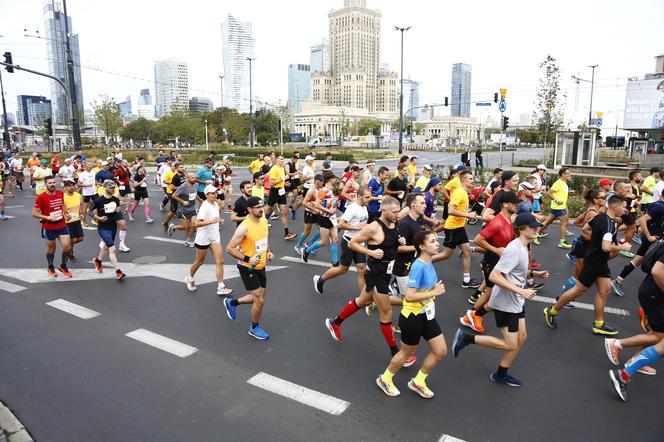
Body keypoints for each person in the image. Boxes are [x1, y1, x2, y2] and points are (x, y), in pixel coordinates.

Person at [453, 213, 549, 387]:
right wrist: (521, 290)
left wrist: (533, 273)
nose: (537, 228)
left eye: (537, 225)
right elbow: (495, 275)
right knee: (510, 343)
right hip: (507, 302)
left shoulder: (523, 247)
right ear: (521, 229)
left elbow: (513, 271)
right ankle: (465, 338)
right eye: (532, 226)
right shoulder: (515, 249)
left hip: (515, 300)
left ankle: (501, 374)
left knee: (522, 337)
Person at [325, 196, 417, 367]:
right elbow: (353, 243)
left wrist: (400, 242)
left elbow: (391, 244)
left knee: (362, 301)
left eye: (399, 211)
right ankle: (395, 353)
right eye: (395, 212)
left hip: (385, 273)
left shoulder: (394, 223)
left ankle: (334, 322)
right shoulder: (373, 228)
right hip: (375, 274)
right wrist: (371, 253)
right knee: (386, 312)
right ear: (384, 210)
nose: (398, 215)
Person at [544, 195, 632, 335]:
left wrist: (594, 240)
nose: (625, 209)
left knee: (605, 290)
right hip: (594, 261)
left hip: (598, 261)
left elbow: (585, 228)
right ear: (616, 207)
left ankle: (598, 324)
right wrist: (623, 248)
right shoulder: (609, 224)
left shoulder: (600, 217)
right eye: (624, 206)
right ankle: (552, 310)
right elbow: (606, 247)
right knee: (578, 290)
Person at [376, 230, 447, 398]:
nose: (437, 243)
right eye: (432, 241)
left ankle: (418, 381)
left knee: (441, 351)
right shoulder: (418, 265)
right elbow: (409, 295)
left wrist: (433, 289)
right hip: (412, 317)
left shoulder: (428, 262)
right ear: (422, 246)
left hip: (426, 314)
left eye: (436, 240)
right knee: (407, 353)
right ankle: (385, 379)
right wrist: (434, 292)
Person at [608, 237, 664, 402]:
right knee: (659, 338)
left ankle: (625, 363)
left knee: (658, 337)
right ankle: (625, 364)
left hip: (651, 292)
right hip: (655, 294)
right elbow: (657, 271)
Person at [461, 192, 520, 330]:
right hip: (492, 263)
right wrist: (496, 250)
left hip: (500, 263)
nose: (516, 205)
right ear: (505, 204)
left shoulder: (508, 220)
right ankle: (473, 315)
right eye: (514, 203)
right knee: (492, 293)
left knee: (491, 293)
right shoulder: (497, 222)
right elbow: (477, 239)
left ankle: (472, 316)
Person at [224, 197, 273, 340]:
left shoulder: (264, 220)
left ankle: (231, 303)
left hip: (261, 265)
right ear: (249, 209)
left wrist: (268, 251)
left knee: (259, 298)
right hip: (247, 267)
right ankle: (254, 327)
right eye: (257, 207)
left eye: (262, 206)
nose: (261, 209)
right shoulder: (244, 227)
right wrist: (248, 259)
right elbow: (229, 248)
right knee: (259, 299)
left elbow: (264, 238)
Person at [313, 186, 370, 294]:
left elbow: (362, 223)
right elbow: (341, 224)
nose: (369, 199)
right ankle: (320, 280)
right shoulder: (353, 208)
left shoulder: (364, 206)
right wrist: (358, 227)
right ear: (359, 196)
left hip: (359, 243)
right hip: (348, 242)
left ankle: (363, 298)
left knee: (362, 269)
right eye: (367, 197)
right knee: (343, 269)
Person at [432, 171, 484, 289]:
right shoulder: (459, 193)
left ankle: (466, 280)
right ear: (463, 180)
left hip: (459, 228)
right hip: (452, 228)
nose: (472, 181)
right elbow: (450, 211)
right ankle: (421, 263)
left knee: (467, 252)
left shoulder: (464, 192)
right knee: (446, 255)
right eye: (470, 179)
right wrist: (467, 215)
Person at [611, 190, 664, 297]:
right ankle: (652, 291)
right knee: (652, 264)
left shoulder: (658, 205)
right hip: (653, 239)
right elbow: (643, 220)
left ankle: (618, 281)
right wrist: (649, 236)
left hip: (653, 238)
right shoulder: (660, 207)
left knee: (638, 261)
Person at [184, 184, 233, 295]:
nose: (215, 194)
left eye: (215, 192)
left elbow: (214, 218)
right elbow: (197, 223)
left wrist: (218, 220)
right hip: (203, 239)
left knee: (220, 261)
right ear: (206, 195)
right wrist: (212, 221)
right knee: (199, 261)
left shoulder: (215, 204)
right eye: (212, 193)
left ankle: (221, 286)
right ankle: (190, 278)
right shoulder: (205, 206)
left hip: (214, 237)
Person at [32, 176, 73, 278]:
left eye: (54, 182)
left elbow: (62, 204)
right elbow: (34, 214)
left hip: (62, 224)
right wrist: (48, 217)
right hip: (49, 226)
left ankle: (63, 266)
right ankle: (50, 266)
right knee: (51, 250)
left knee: (68, 248)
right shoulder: (41, 197)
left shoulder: (60, 193)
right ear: (45, 184)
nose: (52, 184)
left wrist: (66, 213)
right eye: (50, 183)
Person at [391, 192, 426, 299]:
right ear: (413, 205)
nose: (425, 205)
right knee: (409, 299)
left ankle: (391, 289)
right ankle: (377, 300)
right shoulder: (405, 224)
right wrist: (418, 247)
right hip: (402, 266)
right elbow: (397, 248)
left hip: (411, 264)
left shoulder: (417, 220)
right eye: (422, 203)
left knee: (411, 298)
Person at [90, 180, 126, 280]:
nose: (113, 189)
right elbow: (90, 212)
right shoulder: (98, 200)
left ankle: (98, 261)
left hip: (113, 227)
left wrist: (119, 206)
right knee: (112, 249)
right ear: (105, 188)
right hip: (103, 228)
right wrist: (99, 218)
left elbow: (117, 211)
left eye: (114, 187)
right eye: (111, 188)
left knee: (106, 247)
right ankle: (118, 272)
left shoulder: (115, 199)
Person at [302, 173, 339, 264]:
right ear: (331, 179)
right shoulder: (323, 191)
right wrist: (328, 210)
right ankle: (306, 251)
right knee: (323, 242)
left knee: (335, 239)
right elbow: (317, 205)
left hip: (332, 218)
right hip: (324, 218)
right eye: (334, 178)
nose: (336, 180)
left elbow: (329, 202)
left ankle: (335, 261)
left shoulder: (332, 190)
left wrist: (336, 203)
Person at [538, 167, 574, 249]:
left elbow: (559, 193)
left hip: (557, 206)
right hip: (559, 207)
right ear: (563, 174)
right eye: (568, 173)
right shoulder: (559, 183)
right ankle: (562, 242)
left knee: (548, 221)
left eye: (569, 173)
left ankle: (535, 234)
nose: (570, 175)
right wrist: (557, 200)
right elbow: (549, 193)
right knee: (564, 223)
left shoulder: (563, 183)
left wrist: (569, 193)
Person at [265, 155, 297, 240]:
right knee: (268, 209)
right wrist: (282, 179)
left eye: (283, 159)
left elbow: (280, 181)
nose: (283, 160)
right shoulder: (274, 169)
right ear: (276, 160)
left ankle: (287, 233)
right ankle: (255, 221)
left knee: (284, 212)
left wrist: (285, 183)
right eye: (281, 159)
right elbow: (272, 183)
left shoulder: (282, 168)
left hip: (281, 191)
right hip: (274, 191)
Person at [169, 172, 199, 247]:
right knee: (185, 227)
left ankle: (187, 241)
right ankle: (173, 227)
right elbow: (174, 195)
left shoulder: (195, 185)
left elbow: (195, 193)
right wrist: (183, 201)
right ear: (188, 178)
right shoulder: (183, 187)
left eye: (195, 177)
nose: (195, 179)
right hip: (184, 210)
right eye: (193, 178)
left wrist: (199, 199)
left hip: (192, 209)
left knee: (194, 225)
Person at [295, 175, 323, 256]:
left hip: (317, 213)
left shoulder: (320, 189)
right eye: (321, 182)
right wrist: (314, 209)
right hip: (309, 213)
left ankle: (310, 243)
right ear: (317, 181)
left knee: (322, 230)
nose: (322, 183)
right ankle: (298, 246)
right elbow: (304, 202)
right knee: (307, 232)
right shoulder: (311, 190)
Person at [62, 180, 84, 262]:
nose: (71, 187)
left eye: (73, 186)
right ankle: (70, 254)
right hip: (67, 222)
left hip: (77, 220)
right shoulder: (63, 197)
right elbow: (63, 209)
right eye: (69, 186)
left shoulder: (78, 195)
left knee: (80, 238)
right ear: (65, 187)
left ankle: (68, 246)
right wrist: (66, 215)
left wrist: (81, 213)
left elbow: (80, 205)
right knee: (71, 239)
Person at [77, 161, 97, 227]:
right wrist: (87, 185)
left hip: (94, 192)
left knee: (98, 206)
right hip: (87, 193)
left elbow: (95, 181)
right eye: (89, 164)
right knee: (85, 208)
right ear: (85, 166)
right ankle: (84, 220)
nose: (91, 165)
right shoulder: (83, 174)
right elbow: (79, 184)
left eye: (91, 164)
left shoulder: (93, 172)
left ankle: (95, 219)